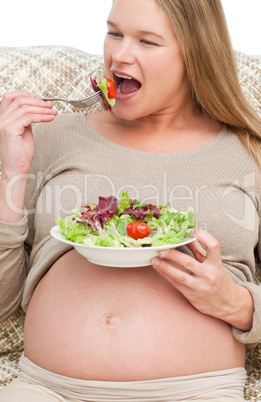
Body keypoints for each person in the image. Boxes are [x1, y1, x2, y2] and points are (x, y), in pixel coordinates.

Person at [0, 0, 261, 400]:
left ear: (196, 54)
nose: (118, 56)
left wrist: (235, 303)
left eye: (148, 42)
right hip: (48, 389)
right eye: (115, 33)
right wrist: (11, 175)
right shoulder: (47, 136)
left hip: (196, 391)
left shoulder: (250, 151)